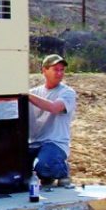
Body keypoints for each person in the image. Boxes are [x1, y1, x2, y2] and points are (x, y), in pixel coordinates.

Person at [28, 54, 77, 187]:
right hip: (33, 143)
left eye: (62, 70)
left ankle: (61, 170)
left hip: (54, 143)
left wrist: (27, 95)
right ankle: (47, 173)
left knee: (44, 166)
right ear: (44, 70)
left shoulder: (67, 93)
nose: (60, 73)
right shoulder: (34, 92)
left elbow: (55, 108)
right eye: (56, 69)